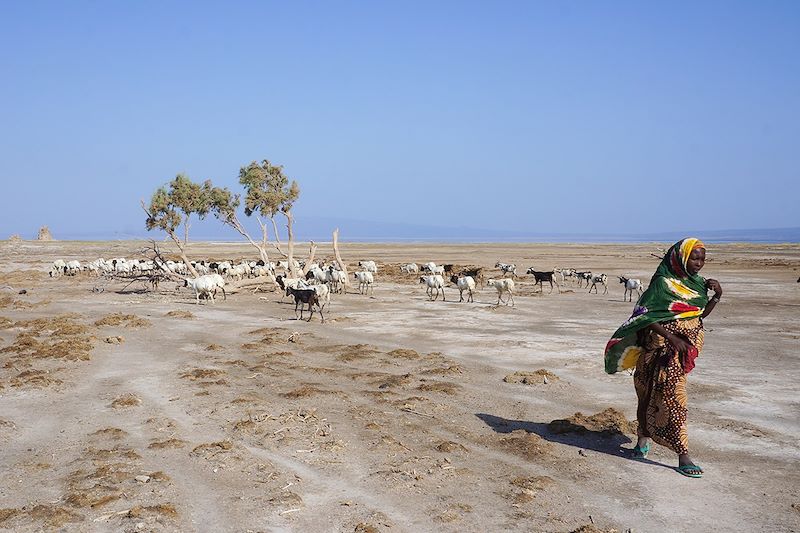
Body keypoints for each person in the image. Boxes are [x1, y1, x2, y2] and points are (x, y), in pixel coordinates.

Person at [604, 238, 722, 478]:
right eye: (694, 258)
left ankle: (682, 453)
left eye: (702, 259)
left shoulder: (698, 284)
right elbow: (644, 315)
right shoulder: (662, 283)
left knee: (675, 397)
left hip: (678, 355)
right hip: (656, 351)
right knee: (646, 395)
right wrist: (671, 337)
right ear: (680, 257)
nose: (699, 263)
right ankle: (643, 441)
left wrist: (717, 296)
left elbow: (699, 316)